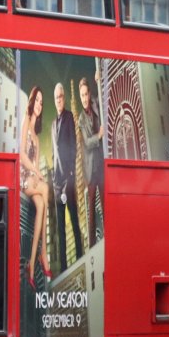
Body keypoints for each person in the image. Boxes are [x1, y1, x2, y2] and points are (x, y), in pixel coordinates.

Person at [20, 86, 52, 284]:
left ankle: (32, 264)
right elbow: (22, 155)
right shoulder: (25, 122)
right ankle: (44, 253)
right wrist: (37, 173)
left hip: (32, 179)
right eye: (37, 100)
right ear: (32, 101)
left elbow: (36, 164)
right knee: (46, 188)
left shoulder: (38, 138)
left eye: (42, 102)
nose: (39, 105)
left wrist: (38, 176)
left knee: (41, 204)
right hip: (22, 177)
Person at [51, 82, 84, 265]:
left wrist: (71, 172)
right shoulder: (53, 124)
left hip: (68, 180)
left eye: (61, 97)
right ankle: (63, 268)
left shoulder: (70, 117)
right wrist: (53, 179)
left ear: (64, 98)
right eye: (56, 97)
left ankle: (81, 258)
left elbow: (73, 146)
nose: (59, 100)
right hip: (57, 184)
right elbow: (53, 153)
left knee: (73, 219)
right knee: (61, 228)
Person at [78, 75, 105, 246]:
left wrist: (98, 81)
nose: (85, 98)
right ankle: (92, 246)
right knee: (91, 213)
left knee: (105, 205)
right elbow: (87, 142)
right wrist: (99, 136)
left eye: (86, 94)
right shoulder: (80, 119)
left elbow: (102, 97)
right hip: (89, 170)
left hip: (101, 165)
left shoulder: (95, 103)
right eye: (82, 95)